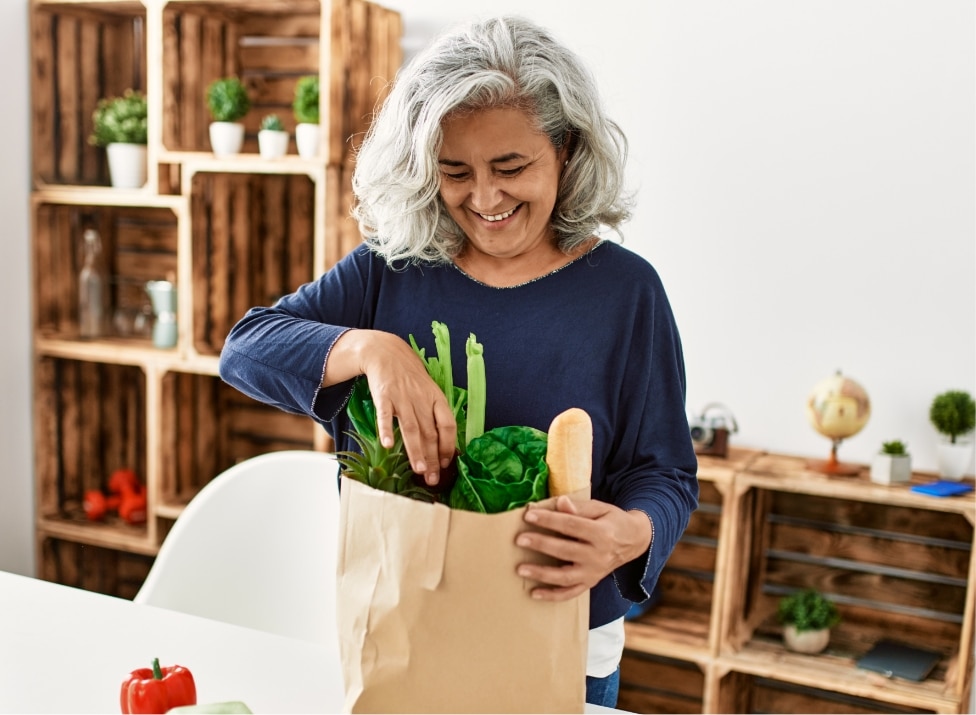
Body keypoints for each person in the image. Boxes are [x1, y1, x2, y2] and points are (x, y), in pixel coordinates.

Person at [219, 15, 698, 708]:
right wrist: (368, 347)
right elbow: (245, 348)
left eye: (512, 167)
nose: (485, 198)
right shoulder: (392, 270)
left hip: (561, 637)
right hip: (403, 623)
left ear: (565, 150)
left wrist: (630, 532)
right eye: (455, 172)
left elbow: (666, 472)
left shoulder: (626, 293)